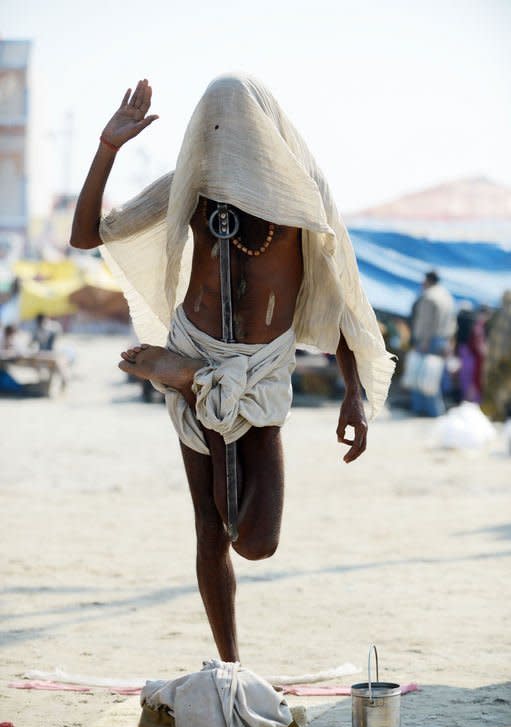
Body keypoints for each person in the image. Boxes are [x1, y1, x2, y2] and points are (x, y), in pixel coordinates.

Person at [71, 75, 395, 662]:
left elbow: (338, 294)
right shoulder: (193, 187)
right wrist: (108, 147)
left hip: (260, 371)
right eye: (212, 129)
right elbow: (84, 234)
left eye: (234, 129)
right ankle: (230, 667)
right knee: (209, 531)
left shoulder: (300, 197)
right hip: (191, 347)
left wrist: (355, 392)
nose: (222, 141)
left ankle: (194, 382)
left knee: (257, 541)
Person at [409, 270, 455, 417]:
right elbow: (453, 322)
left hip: (429, 341)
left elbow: (426, 323)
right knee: (434, 376)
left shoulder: (429, 297)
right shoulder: (447, 296)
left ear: (428, 280)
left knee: (422, 376)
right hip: (443, 339)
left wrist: (423, 341)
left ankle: (424, 411)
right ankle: (435, 411)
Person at [482, 290, 511, 421]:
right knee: (502, 389)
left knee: (496, 389)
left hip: (498, 359)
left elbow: (492, 334)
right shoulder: (501, 313)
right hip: (504, 359)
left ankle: (497, 416)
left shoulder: (500, 313)